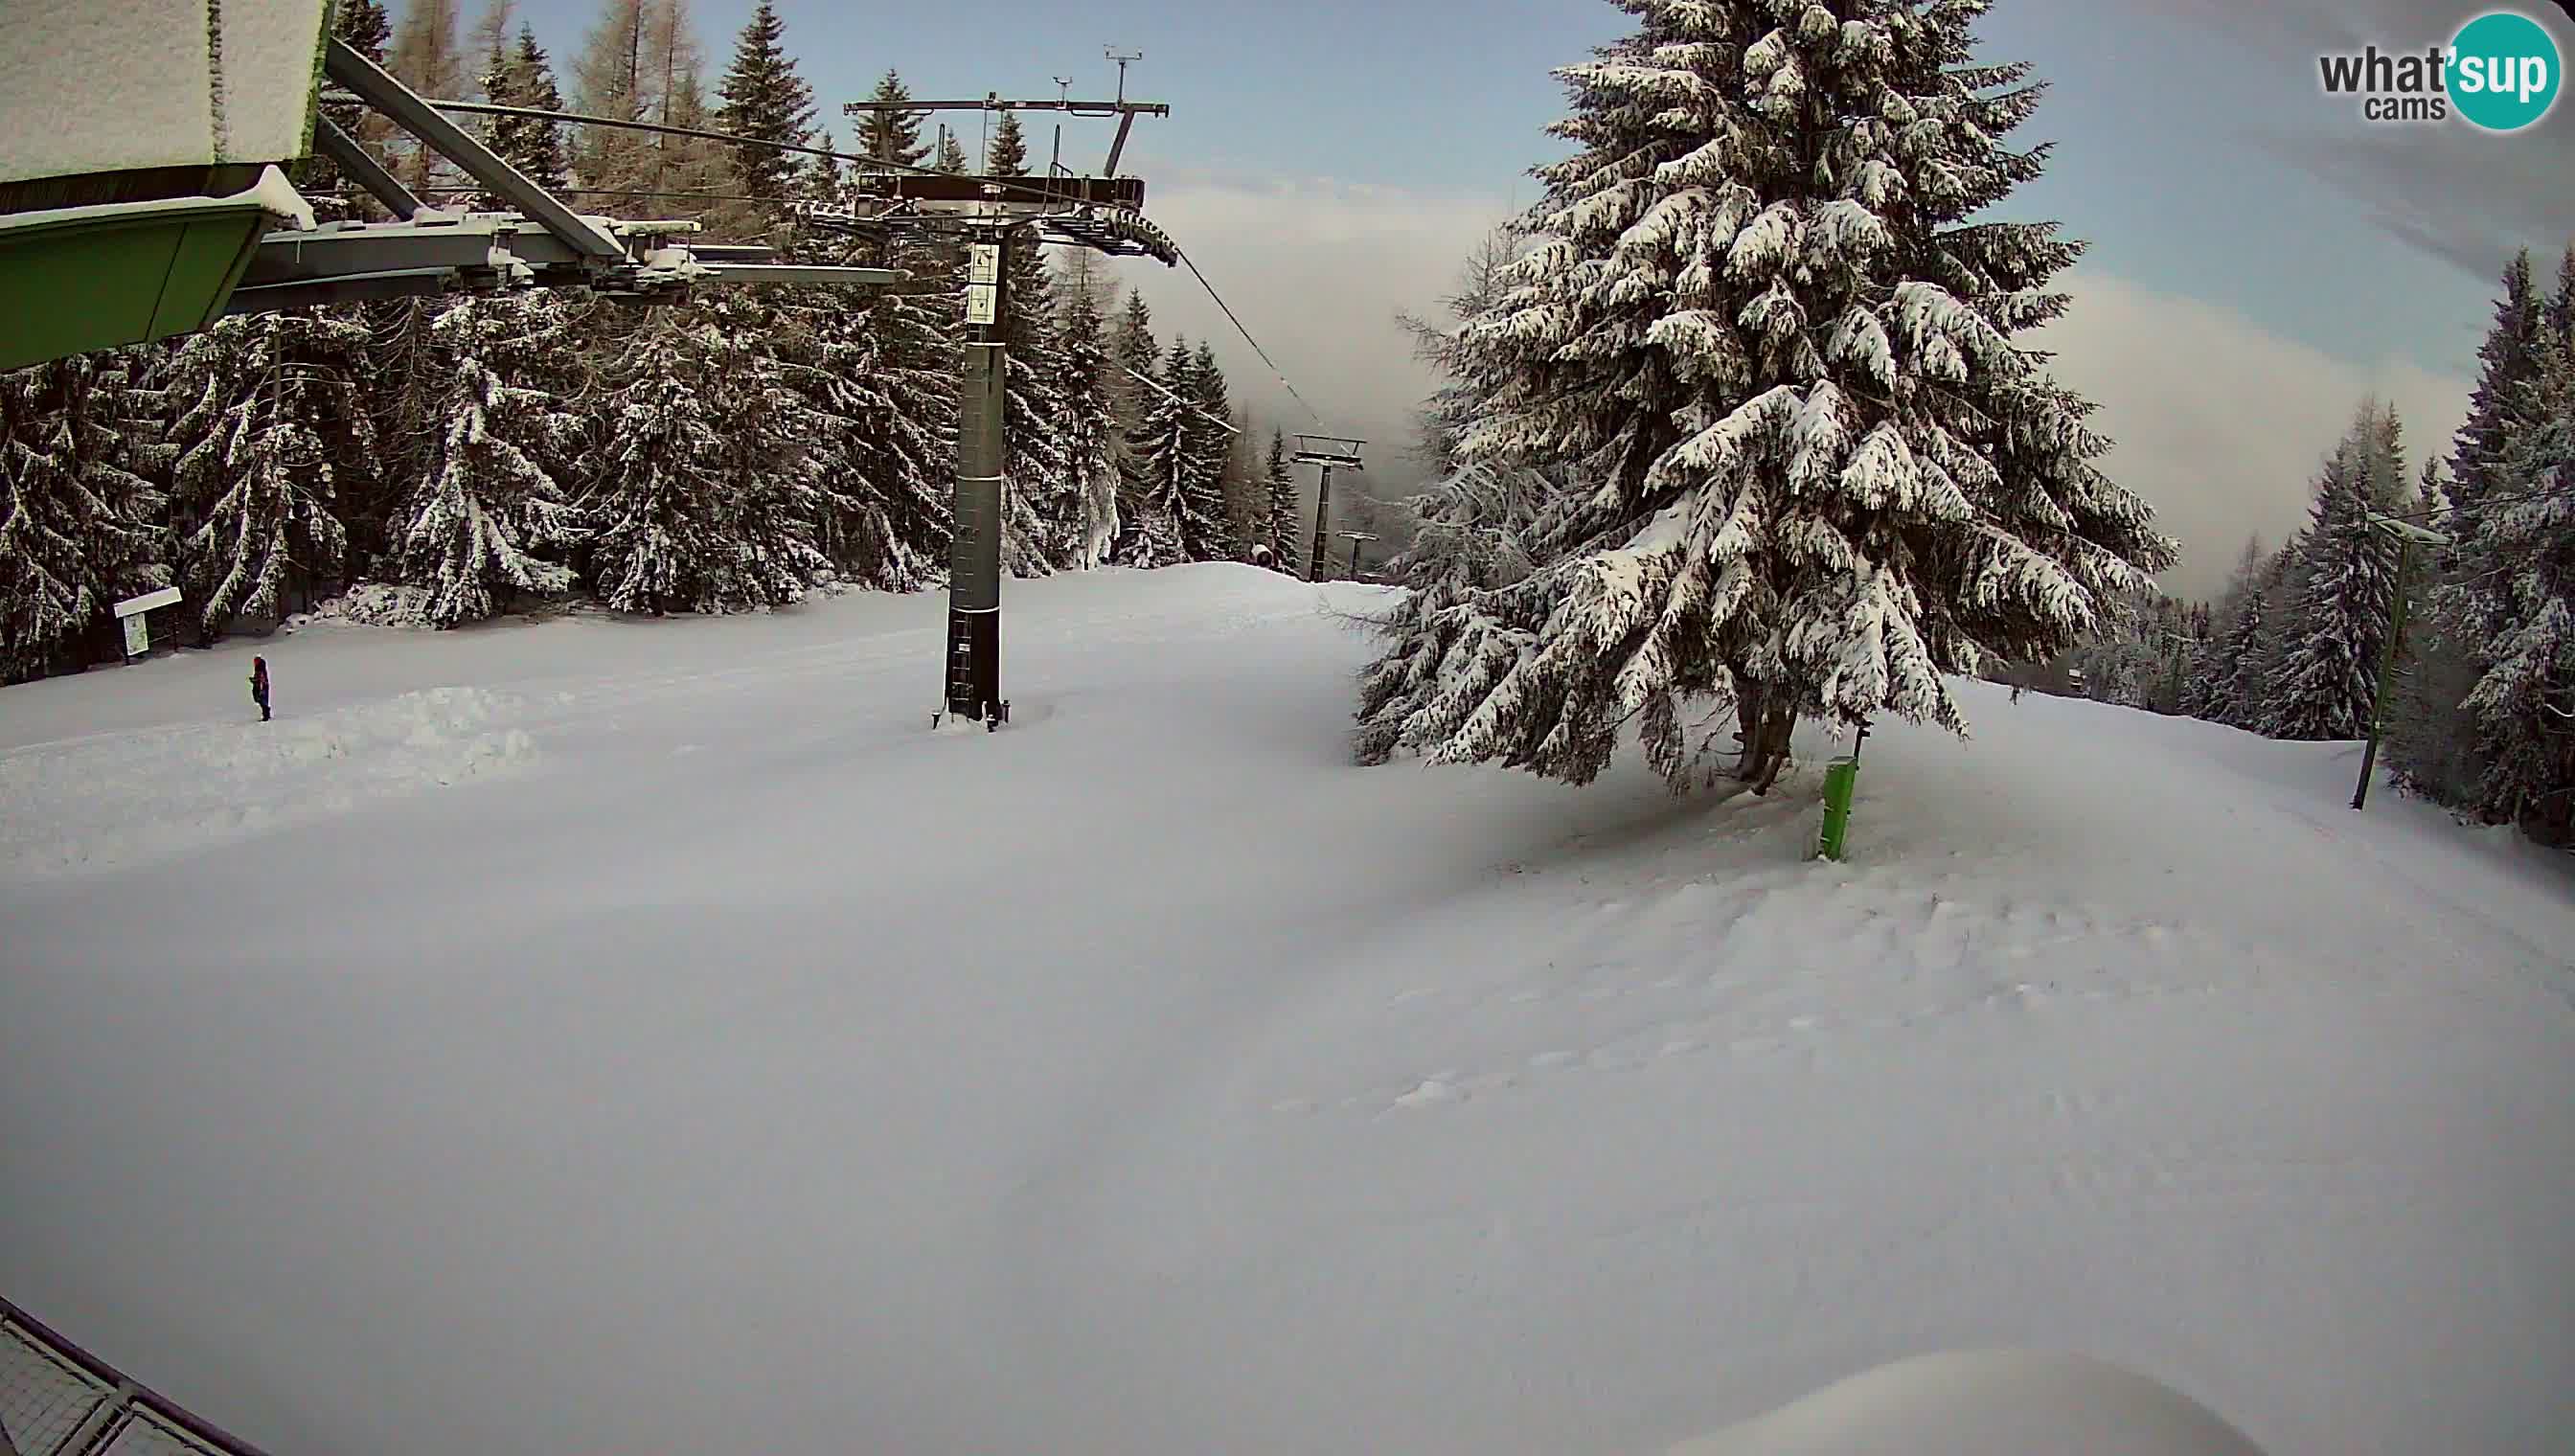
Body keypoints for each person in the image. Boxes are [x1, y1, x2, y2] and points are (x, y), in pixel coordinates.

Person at [250, 655, 270, 722]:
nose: (254, 663)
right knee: (261, 700)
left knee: (261, 700)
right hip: (261, 686)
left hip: (261, 687)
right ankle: (266, 713)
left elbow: (261, 679)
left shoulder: (260, 669)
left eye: (255, 661)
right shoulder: (259, 668)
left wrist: (254, 681)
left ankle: (266, 715)